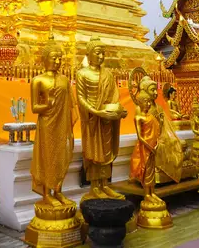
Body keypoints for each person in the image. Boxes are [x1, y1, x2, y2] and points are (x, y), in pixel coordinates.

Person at [76, 36, 127, 199]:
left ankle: (105, 184)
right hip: (91, 120)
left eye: (103, 53)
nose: (101, 57)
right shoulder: (82, 74)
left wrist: (119, 111)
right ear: (89, 54)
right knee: (93, 153)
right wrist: (96, 112)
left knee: (106, 153)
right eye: (98, 53)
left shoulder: (108, 74)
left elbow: (114, 97)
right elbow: (80, 98)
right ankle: (94, 186)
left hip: (106, 120)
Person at [30, 35, 77, 206]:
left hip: (62, 123)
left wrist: (70, 127)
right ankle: (46, 193)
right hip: (47, 124)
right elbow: (35, 107)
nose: (57, 61)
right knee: (47, 157)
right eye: (53, 58)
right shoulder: (38, 80)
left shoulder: (64, 80)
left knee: (61, 156)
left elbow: (70, 104)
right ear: (44, 59)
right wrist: (48, 103)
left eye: (60, 58)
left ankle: (58, 191)